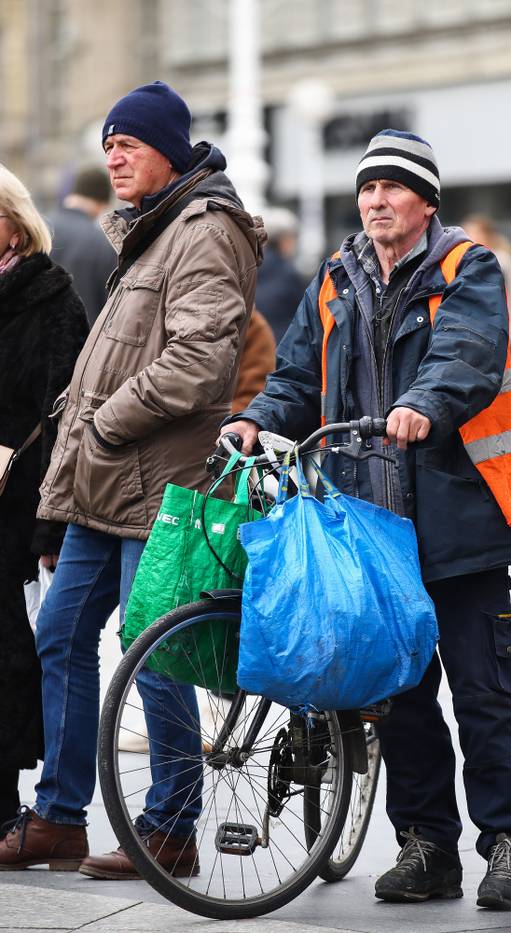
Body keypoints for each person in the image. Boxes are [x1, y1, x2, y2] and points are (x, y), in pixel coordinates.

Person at [221, 129, 511, 910]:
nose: (376, 201)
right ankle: (426, 844)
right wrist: (256, 418)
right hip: (367, 524)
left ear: (425, 199)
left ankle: (508, 843)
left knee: (484, 693)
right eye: (367, 189)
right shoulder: (336, 279)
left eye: (392, 187)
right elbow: (297, 371)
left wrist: (419, 405)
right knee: (400, 697)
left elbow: (466, 353)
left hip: (460, 521)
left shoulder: (469, 267)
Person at [0, 81, 264, 874]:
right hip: (103, 482)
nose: (115, 156)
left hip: (157, 478)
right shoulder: (152, 229)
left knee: (152, 650)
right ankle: (59, 814)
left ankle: (173, 826)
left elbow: (200, 359)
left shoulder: (206, 228)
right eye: (109, 143)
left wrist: (107, 420)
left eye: (132, 144)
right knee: (62, 635)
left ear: (171, 151)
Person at [0, 165, 88, 831]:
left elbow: (64, 413)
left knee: (9, 638)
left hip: (16, 494)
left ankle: (7, 795)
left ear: (13, 220)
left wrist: (50, 523)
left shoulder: (52, 296)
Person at [48, 166, 116, 326]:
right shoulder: (103, 243)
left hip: (31, 343)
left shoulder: (37, 229)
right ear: (101, 202)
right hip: (83, 344)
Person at [254, 205, 306, 343]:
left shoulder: (251, 267)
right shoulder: (288, 274)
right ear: (284, 240)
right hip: (284, 347)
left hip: (254, 347)